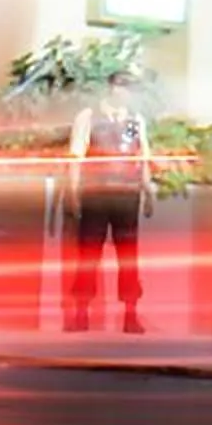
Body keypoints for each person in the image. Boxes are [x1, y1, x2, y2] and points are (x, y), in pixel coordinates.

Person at [64, 80, 154, 334]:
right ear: (110, 89)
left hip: (126, 194)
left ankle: (130, 313)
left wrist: (147, 189)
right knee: (89, 254)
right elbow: (76, 154)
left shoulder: (135, 119)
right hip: (96, 193)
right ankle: (81, 313)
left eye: (127, 89)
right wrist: (73, 190)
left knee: (128, 256)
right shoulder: (89, 116)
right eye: (119, 87)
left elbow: (142, 154)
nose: (123, 93)